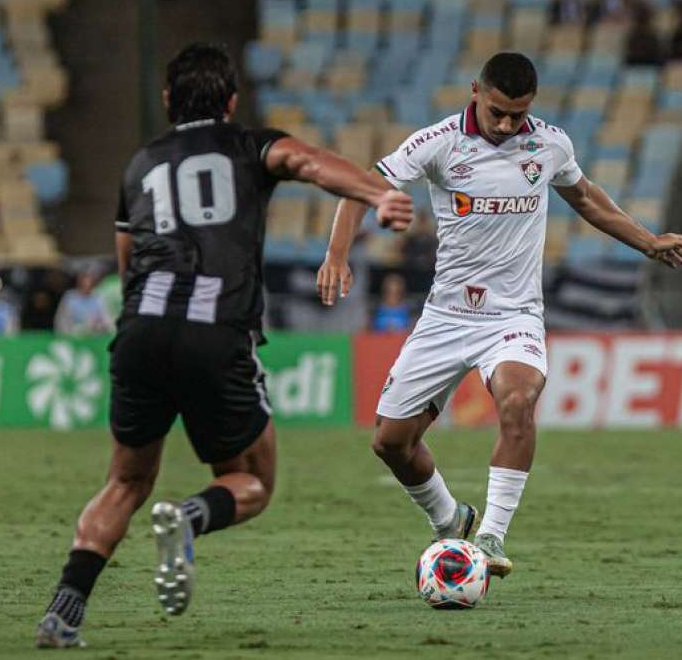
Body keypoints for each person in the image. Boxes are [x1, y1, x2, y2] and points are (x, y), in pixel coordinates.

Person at [35, 43, 413, 648]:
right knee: (251, 480)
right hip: (216, 332)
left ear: (167, 101)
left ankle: (64, 607)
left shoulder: (139, 166)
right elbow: (310, 163)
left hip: (140, 333)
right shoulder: (248, 144)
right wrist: (377, 195)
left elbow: (127, 267)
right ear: (232, 101)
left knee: (126, 481)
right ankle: (188, 519)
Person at [317, 52, 682, 579]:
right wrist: (336, 254)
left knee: (517, 403)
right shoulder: (439, 142)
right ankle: (450, 520)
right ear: (476, 91)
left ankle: (490, 537)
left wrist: (647, 241)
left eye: (519, 114)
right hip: (446, 317)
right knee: (390, 442)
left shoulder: (550, 143)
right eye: (497, 112)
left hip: (512, 317)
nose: (508, 125)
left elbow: (587, 199)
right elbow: (362, 187)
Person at [53, 269, 113, 335]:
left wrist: (102, 326)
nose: (86, 287)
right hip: (72, 335)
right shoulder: (70, 297)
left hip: (93, 335)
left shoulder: (98, 298)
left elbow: (106, 318)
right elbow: (61, 319)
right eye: (84, 284)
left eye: (89, 284)